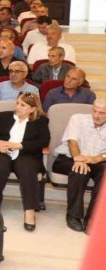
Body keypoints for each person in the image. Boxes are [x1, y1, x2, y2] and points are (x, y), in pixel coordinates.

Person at [0, 92, 50, 231]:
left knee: (27, 170)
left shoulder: (40, 121)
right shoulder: (4, 116)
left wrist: (19, 145)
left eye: (23, 105)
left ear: (32, 109)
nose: (18, 107)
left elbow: (44, 141)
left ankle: (29, 211)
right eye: (17, 103)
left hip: (26, 154)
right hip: (2, 152)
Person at [51, 100, 106, 233]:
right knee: (80, 170)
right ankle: (73, 215)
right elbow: (72, 141)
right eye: (94, 111)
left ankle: (93, 217)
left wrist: (97, 158)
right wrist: (78, 158)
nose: (96, 115)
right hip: (68, 158)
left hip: (95, 160)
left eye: (102, 113)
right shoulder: (78, 119)